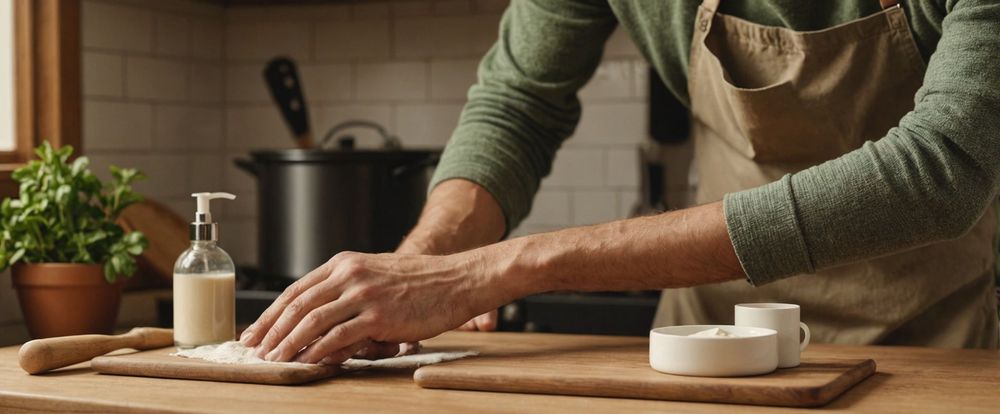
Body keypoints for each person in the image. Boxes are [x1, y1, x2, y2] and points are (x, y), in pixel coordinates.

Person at [239, 0, 1000, 364]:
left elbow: (937, 170)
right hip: (710, 343)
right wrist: (430, 260)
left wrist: (499, 268)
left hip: (932, 339)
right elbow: (518, 104)